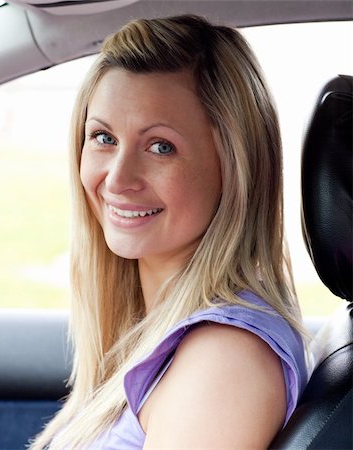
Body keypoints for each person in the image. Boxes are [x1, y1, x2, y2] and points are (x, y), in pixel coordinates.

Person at [30, 14, 307, 449]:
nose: (118, 179)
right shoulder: (162, 333)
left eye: (161, 146)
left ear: (235, 168)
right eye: (103, 137)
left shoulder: (225, 361)